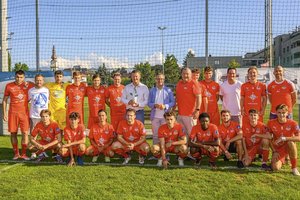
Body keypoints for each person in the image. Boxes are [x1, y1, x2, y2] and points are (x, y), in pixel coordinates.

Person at [2, 70, 34, 160]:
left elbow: (37, 85)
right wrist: (4, 113)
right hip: (13, 113)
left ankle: (23, 154)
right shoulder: (9, 86)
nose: (19, 79)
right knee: (13, 133)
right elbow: (4, 100)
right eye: (17, 77)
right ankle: (16, 154)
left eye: (21, 77)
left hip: (24, 114)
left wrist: (30, 82)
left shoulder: (28, 85)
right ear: (14, 77)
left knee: (25, 133)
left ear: (24, 77)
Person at [267, 104, 300, 176]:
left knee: (290, 142)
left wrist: (285, 138)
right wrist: (274, 151)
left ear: (287, 113)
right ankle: (284, 158)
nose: (281, 115)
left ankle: (294, 168)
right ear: (276, 112)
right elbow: (268, 138)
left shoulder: (293, 123)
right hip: (278, 148)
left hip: (288, 146)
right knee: (275, 168)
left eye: (283, 113)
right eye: (279, 112)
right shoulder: (270, 122)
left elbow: (299, 138)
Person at [148, 73, 175, 145]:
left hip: (165, 117)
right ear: (155, 80)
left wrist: (165, 106)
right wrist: (154, 105)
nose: (160, 80)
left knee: (165, 134)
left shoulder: (168, 90)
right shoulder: (152, 90)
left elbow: (173, 102)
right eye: (158, 79)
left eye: (161, 79)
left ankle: (165, 151)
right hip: (155, 117)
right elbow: (149, 103)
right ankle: (156, 153)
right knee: (155, 135)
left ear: (164, 80)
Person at [176, 67, 202, 136]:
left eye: (187, 74)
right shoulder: (179, 83)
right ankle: (185, 147)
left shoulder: (194, 83)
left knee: (192, 135)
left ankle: (193, 147)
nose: (185, 75)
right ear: (181, 74)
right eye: (184, 74)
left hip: (190, 115)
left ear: (191, 75)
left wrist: (197, 110)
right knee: (182, 135)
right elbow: (177, 98)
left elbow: (199, 97)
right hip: (180, 115)